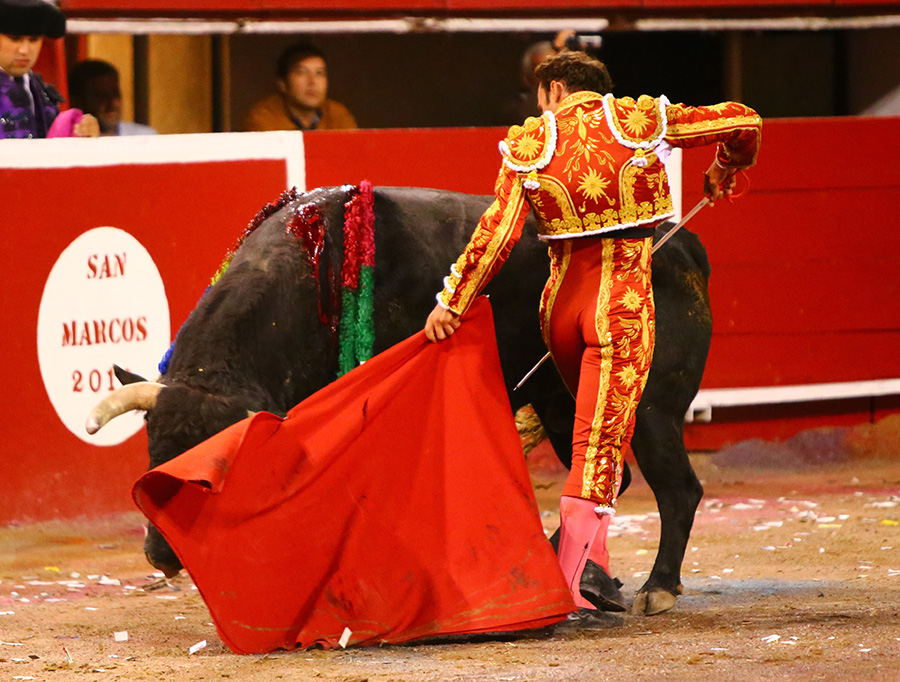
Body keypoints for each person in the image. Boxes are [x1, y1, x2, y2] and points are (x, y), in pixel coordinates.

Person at [425, 51, 761, 625]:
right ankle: (571, 584)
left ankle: (589, 562)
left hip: (559, 308)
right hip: (620, 305)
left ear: (556, 89)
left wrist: (451, 302)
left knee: (575, 429)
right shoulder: (639, 121)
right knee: (596, 444)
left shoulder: (529, 145)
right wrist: (726, 167)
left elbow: (497, 234)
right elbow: (744, 119)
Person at [0, 0, 97, 138]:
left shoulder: (39, 90)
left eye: (34, 40)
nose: (24, 50)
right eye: (14, 39)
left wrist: (79, 131)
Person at [243, 41, 356, 132]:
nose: (312, 81)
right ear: (283, 84)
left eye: (319, 73)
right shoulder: (263, 117)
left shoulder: (338, 116)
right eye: (301, 73)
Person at [68, 59, 156, 136]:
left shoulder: (144, 136)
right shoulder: (67, 142)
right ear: (78, 101)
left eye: (115, 93)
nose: (112, 103)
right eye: (101, 96)